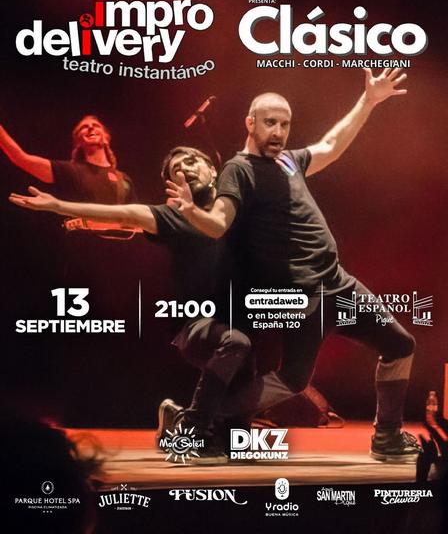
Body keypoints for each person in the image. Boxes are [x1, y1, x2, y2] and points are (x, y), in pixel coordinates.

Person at [165, 68, 421, 461]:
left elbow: (331, 144)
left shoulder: (288, 161)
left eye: (285, 124)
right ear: (250, 123)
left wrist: (368, 100)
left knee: (400, 345)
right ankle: (197, 419)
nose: (279, 132)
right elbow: (218, 222)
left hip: (339, 284)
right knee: (293, 380)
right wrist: (190, 212)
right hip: (304, 296)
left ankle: (387, 436)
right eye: (270, 123)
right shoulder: (239, 169)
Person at [9, 146, 253, 463]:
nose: (186, 168)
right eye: (177, 168)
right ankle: (190, 431)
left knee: (237, 439)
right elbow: (123, 215)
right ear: (172, 185)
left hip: (237, 326)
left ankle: (180, 418)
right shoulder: (170, 217)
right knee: (236, 342)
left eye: (193, 160)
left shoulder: (235, 211)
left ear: (214, 170)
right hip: (194, 325)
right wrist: (58, 205)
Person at [0, 115, 135, 203]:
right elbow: (21, 158)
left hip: (121, 239)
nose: (90, 127)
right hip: (82, 238)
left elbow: (137, 220)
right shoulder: (69, 171)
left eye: (96, 125)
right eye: (83, 127)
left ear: (106, 138)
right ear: (78, 142)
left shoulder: (123, 179)